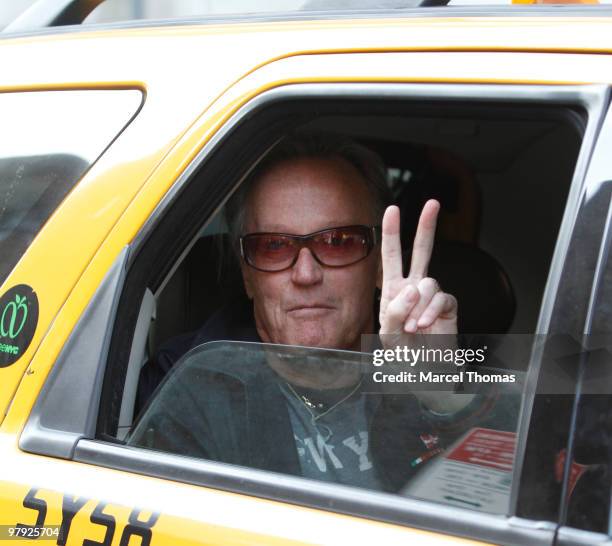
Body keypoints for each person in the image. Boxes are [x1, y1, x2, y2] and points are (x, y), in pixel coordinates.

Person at [131, 132, 517, 492]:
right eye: (274, 246)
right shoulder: (188, 384)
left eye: (338, 242)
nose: (305, 273)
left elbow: (508, 500)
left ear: (380, 264)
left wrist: (438, 394)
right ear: (248, 276)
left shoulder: (454, 372)